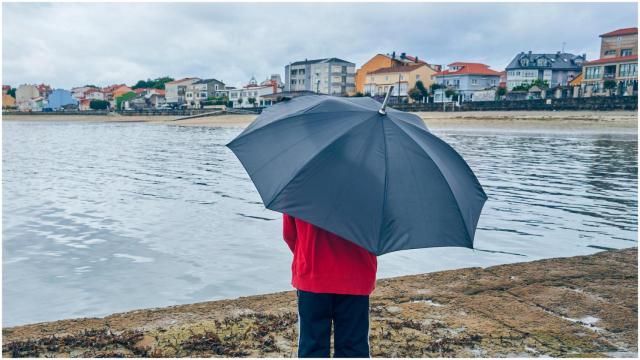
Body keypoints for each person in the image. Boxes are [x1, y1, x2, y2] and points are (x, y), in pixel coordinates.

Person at [283, 213, 377, 358]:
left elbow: (289, 234)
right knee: (353, 348)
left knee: (312, 347)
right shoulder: (372, 191)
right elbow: (380, 234)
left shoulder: (298, 190)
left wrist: (305, 253)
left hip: (313, 272)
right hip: (356, 273)